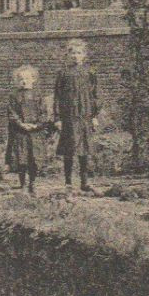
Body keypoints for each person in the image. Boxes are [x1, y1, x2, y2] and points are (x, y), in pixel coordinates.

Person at [53, 37, 99, 192]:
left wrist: (94, 116)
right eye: (72, 53)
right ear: (68, 55)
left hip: (85, 116)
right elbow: (57, 96)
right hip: (69, 117)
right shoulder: (63, 73)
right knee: (70, 149)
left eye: (79, 53)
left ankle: (84, 182)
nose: (75, 56)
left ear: (84, 55)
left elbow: (95, 95)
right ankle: (68, 183)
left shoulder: (90, 73)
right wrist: (57, 118)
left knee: (84, 149)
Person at [3, 65, 49, 194]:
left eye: (27, 78)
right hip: (20, 132)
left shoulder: (38, 95)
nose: (24, 81)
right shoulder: (13, 96)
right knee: (21, 159)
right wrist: (21, 124)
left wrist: (37, 125)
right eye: (21, 79)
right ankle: (22, 183)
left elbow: (44, 113)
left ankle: (33, 183)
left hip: (35, 133)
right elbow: (11, 113)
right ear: (17, 81)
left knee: (34, 158)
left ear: (33, 79)